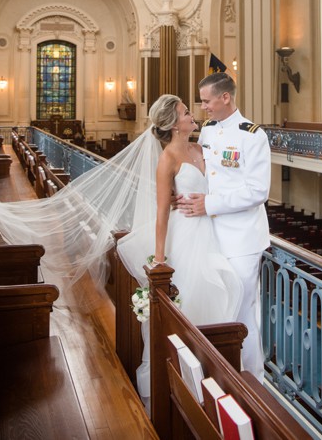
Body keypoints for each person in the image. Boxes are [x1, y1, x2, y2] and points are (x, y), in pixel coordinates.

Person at [115, 94, 242, 405]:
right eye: (186, 112)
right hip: (186, 237)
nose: (192, 115)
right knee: (190, 303)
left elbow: (228, 173)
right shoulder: (167, 159)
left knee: (218, 296)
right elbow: (161, 214)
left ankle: (215, 382)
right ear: (174, 124)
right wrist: (160, 260)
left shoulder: (201, 148)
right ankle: (186, 389)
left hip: (213, 231)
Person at [176, 71, 271, 377]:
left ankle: (254, 380)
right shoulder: (208, 132)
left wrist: (210, 205)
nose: (202, 106)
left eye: (206, 101)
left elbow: (258, 191)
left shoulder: (252, 135)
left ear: (225, 97)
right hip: (211, 237)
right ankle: (225, 375)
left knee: (242, 315)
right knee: (219, 310)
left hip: (242, 240)